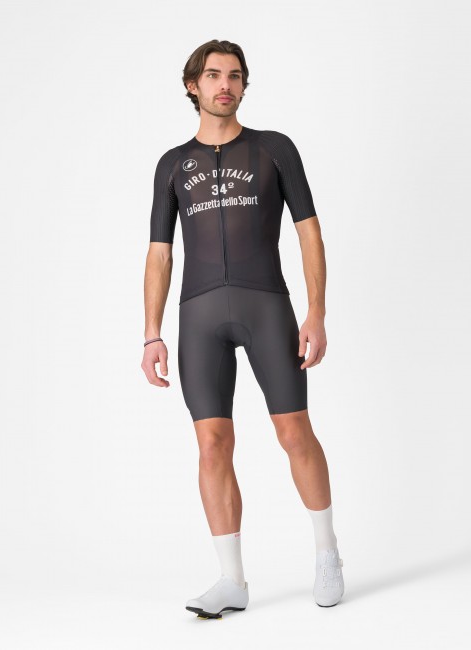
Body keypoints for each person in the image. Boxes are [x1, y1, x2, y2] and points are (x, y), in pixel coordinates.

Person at [142, 39, 344, 618]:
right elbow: (160, 253)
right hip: (199, 315)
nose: (224, 85)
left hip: (266, 305)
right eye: (213, 75)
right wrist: (152, 333)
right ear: (193, 86)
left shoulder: (273, 149)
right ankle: (231, 580)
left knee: (294, 432)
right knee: (211, 444)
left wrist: (316, 311)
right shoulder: (172, 164)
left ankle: (327, 554)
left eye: (234, 76)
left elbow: (309, 231)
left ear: (243, 85)